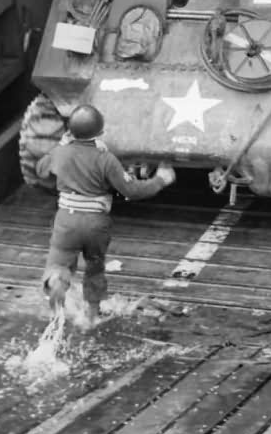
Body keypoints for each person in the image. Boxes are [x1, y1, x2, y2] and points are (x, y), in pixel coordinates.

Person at [36, 105, 176, 324]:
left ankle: (56, 285)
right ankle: (91, 316)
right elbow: (132, 191)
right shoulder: (106, 159)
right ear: (101, 133)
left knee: (59, 262)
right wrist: (160, 180)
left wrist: (61, 145)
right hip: (95, 223)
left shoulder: (61, 152)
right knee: (94, 267)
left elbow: (41, 169)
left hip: (66, 220)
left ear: (69, 131)